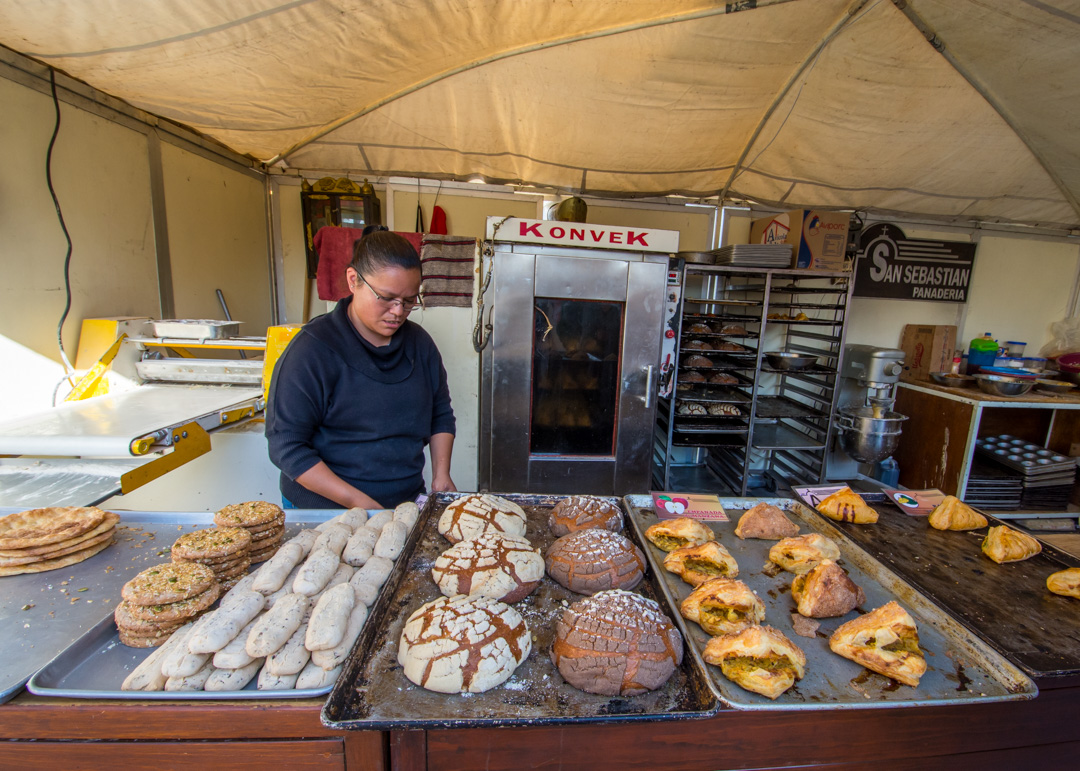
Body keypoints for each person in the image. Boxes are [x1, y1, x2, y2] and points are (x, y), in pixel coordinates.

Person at [266, 230, 457, 509]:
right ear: (353, 280)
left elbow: (440, 414)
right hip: (326, 511)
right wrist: (362, 506)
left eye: (409, 301)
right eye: (387, 297)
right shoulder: (312, 351)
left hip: (404, 504)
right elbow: (287, 446)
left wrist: (441, 475)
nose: (398, 311)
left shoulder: (420, 345)